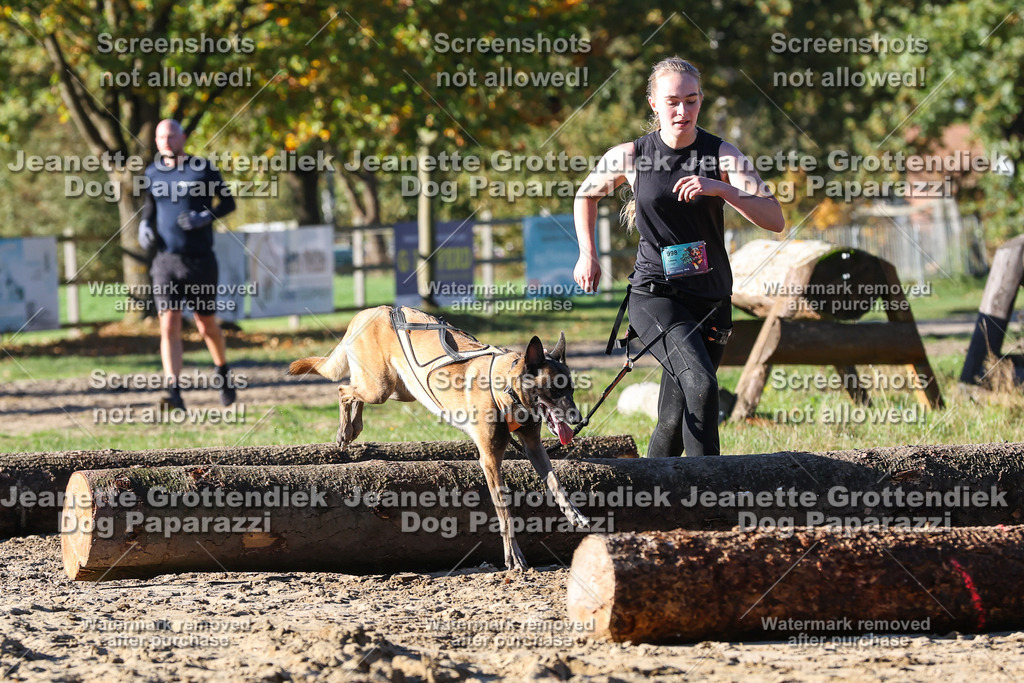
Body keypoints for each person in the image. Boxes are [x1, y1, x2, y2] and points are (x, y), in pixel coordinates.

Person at [572, 57, 784, 457]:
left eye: (691, 100)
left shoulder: (722, 155)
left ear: (701, 101)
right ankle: (711, 499)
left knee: (674, 416)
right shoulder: (631, 155)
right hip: (657, 296)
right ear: (653, 103)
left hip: (712, 299)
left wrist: (721, 189)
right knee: (702, 387)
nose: (682, 111)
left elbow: (774, 218)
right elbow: (586, 194)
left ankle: (652, 500)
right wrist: (588, 254)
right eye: (672, 101)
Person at [138, 119, 238, 410]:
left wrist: (205, 217)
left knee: (205, 325)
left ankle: (222, 371)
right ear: (156, 141)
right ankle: (174, 391)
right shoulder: (152, 172)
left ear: (182, 137)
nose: (166, 141)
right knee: (168, 322)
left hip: (200, 260)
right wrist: (144, 224)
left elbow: (229, 203)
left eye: (171, 135)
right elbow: (150, 206)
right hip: (165, 261)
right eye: (160, 137)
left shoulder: (202, 169)